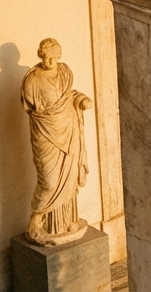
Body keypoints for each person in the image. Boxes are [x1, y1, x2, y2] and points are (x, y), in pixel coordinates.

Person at [22, 38, 91, 246]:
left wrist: (80, 100)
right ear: (40, 55)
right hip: (45, 134)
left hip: (67, 130)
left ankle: (66, 222)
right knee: (50, 181)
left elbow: (68, 96)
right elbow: (35, 111)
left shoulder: (65, 72)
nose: (50, 61)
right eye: (46, 57)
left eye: (54, 57)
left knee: (68, 177)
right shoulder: (32, 80)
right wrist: (51, 115)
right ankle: (35, 223)